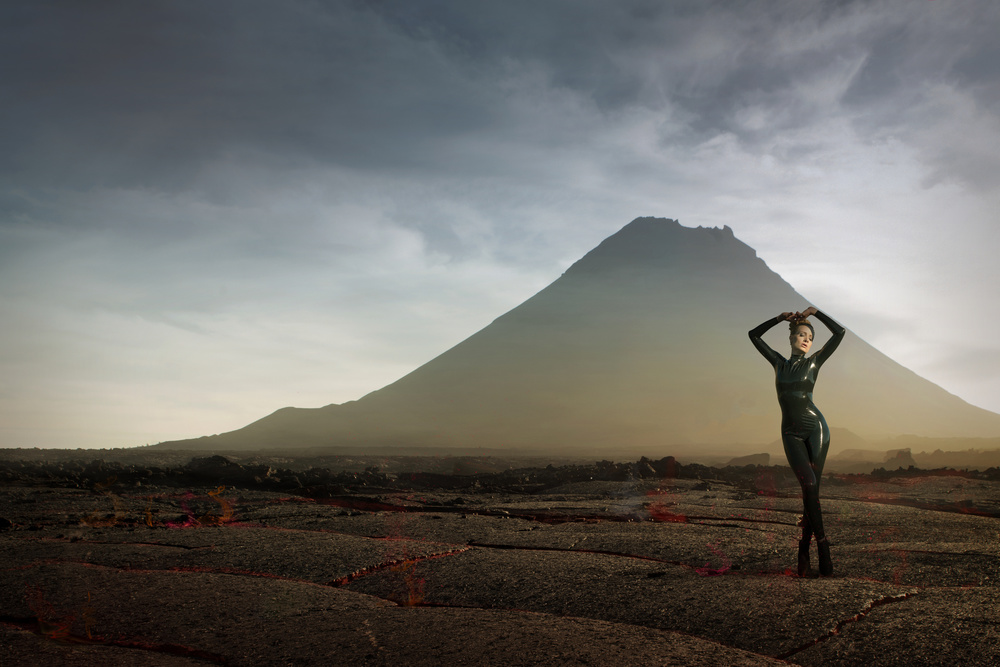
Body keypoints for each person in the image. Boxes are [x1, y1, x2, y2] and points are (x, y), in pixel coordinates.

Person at [748, 306, 845, 576]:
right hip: (790, 432)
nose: (806, 340)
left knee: (811, 490)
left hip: (816, 429)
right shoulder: (779, 363)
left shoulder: (814, 362)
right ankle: (815, 547)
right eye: (801, 335)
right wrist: (778, 318)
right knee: (809, 485)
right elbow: (753, 335)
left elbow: (839, 333)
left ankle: (811, 551)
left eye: (809, 337)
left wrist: (817, 313)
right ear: (791, 338)